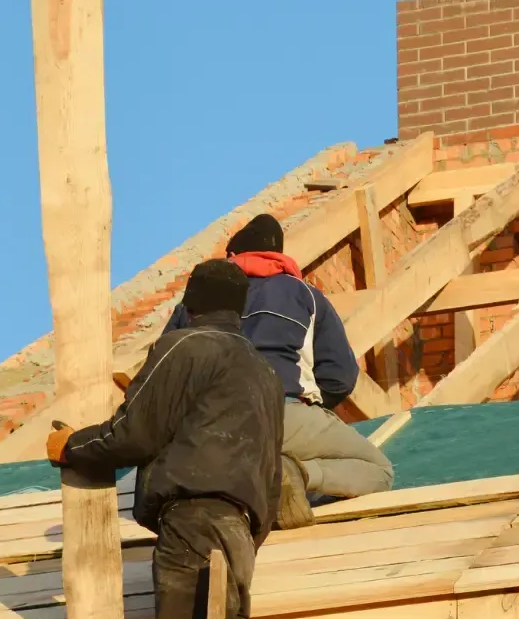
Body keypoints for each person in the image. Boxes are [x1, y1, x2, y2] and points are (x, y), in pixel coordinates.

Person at [47, 259, 280, 619]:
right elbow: (270, 474)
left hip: (194, 518)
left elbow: (134, 432)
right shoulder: (263, 373)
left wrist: (70, 446)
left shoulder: (184, 346)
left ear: (192, 300)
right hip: (240, 528)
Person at [164, 213, 394, 527]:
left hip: (209, 430)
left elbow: (163, 377)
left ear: (232, 257)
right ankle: (298, 474)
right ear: (280, 257)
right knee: (377, 470)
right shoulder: (307, 296)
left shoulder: (193, 302)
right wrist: (306, 409)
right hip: (283, 414)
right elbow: (341, 376)